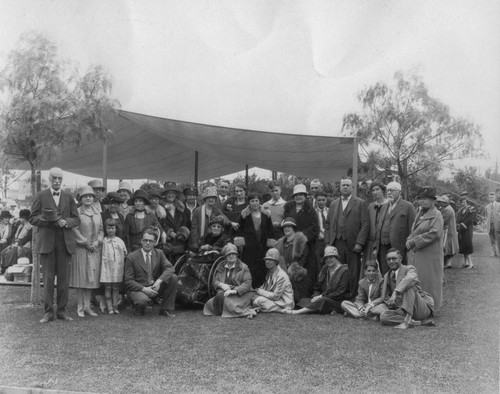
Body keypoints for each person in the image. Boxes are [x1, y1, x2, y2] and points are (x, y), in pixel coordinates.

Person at [30, 167, 80, 323]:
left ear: (62, 180)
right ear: (49, 179)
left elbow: (76, 219)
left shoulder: (69, 196)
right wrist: (47, 219)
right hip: (47, 243)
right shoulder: (41, 195)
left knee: (64, 280)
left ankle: (62, 311)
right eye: (54, 178)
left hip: (65, 243)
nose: (57, 181)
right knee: (49, 279)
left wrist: (66, 222)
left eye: (59, 178)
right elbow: (32, 218)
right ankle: (48, 312)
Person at [324, 177, 369, 299]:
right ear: (340, 187)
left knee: (353, 271)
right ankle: (338, 296)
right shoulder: (333, 204)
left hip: (352, 243)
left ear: (352, 188)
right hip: (336, 243)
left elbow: (365, 224)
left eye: (347, 185)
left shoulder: (360, 203)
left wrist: (360, 242)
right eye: (343, 185)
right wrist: (328, 242)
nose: (345, 187)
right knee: (338, 270)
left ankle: (352, 296)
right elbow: (327, 224)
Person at [124, 228, 178, 317]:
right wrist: (144, 289)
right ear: (141, 241)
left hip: (154, 287)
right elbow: (128, 281)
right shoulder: (131, 257)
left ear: (154, 242)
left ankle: (165, 309)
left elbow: (170, 268)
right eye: (145, 240)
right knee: (142, 300)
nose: (148, 243)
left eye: (150, 241)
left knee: (173, 277)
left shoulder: (159, 253)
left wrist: (159, 281)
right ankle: (139, 308)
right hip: (139, 289)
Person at [406, 186, 444, 309]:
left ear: (433, 200)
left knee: (429, 281)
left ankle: (430, 307)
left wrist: (414, 241)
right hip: (418, 254)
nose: (422, 201)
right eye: (420, 198)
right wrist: (409, 239)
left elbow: (435, 233)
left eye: (426, 199)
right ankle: (418, 307)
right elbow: (415, 230)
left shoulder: (436, 214)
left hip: (429, 255)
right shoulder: (420, 212)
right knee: (417, 280)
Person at [283, 246, 349, 315]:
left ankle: (297, 312)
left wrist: (322, 296)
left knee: (322, 300)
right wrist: (316, 295)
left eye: (331, 257)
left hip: (338, 300)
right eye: (326, 258)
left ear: (336, 258)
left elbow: (340, 292)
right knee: (304, 300)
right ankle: (329, 310)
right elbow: (318, 285)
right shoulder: (325, 268)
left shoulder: (344, 270)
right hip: (325, 297)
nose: (329, 260)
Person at [69, 186, 104, 318]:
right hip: (81, 249)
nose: (88, 198)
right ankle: (79, 307)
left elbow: (101, 230)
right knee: (81, 278)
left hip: (94, 250)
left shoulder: (97, 213)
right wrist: (84, 242)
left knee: (90, 280)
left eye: (90, 196)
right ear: (81, 199)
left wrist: (97, 242)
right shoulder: (77, 212)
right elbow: (74, 229)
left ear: (94, 198)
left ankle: (87, 306)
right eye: (85, 196)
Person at [379, 248, 435, 329]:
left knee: (408, 286)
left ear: (400, 259)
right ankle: (418, 322)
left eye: (394, 258)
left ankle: (407, 321)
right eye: (388, 259)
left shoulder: (409, 269)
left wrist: (395, 292)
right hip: (402, 308)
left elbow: (410, 278)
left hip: (419, 308)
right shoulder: (387, 275)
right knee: (383, 316)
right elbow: (385, 296)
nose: (391, 261)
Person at [233, 192, 275, 288]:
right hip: (249, 249)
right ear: (249, 202)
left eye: (256, 201)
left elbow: (271, 230)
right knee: (250, 269)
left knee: (262, 269)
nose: (255, 203)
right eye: (252, 201)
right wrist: (241, 242)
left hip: (263, 247)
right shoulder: (244, 215)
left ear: (260, 202)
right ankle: (249, 289)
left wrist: (271, 242)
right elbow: (237, 229)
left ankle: (261, 289)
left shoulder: (266, 215)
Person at [283, 184, 319, 296]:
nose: (299, 197)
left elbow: (314, 228)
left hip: (306, 245)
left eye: (301, 195)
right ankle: (291, 294)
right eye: (296, 195)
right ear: (293, 196)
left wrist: (299, 237)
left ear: (305, 196)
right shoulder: (289, 208)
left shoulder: (310, 210)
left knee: (304, 269)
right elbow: (286, 223)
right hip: (290, 244)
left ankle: (304, 295)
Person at [203, 243, 257, 319]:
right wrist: (221, 285)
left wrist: (234, 291)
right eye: (229, 254)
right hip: (226, 293)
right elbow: (215, 281)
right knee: (210, 303)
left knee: (229, 304)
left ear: (236, 255)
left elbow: (247, 283)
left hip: (242, 293)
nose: (231, 256)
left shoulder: (243, 267)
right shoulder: (221, 267)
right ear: (225, 257)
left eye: (233, 254)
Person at [379, 181, 416, 270]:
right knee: (385, 270)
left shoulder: (408, 206)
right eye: (388, 190)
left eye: (392, 190)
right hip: (383, 245)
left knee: (399, 271)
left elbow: (413, 227)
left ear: (399, 192)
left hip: (399, 246)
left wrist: (410, 243)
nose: (389, 193)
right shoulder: (384, 206)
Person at [275, 217, 309, 302]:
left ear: (294, 228)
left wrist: (295, 272)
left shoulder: (301, 242)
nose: (286, 228)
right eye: (285, 227)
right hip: (283, 276)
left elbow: (304, 260)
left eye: (289, 226)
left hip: (299, 277)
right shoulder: (279, 244)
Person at [252, 248, 294, 313]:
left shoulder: (281, 276)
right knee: (253, 297)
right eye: (266, 259)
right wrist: (256, 292)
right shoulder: (269, 272)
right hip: (274, 300)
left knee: (260, 300)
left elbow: (276, 296)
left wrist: (259, 291)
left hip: (283, 303)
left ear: (276, 262)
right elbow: (265, 288)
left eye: (270, 260)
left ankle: (282, 310)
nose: (267, 262)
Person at [190, 186, 232, 251]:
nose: (211, 199)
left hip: (212, 240)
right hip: (200, 241)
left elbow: (224, 218)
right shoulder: (198, 211)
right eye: (209, 198)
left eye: (213, 198)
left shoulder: (216, 210)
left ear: (215, 199)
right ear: (205, 199)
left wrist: (231, 223)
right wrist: (195, 243)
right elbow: (194, 228)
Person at [100, 219, 127, 314]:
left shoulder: (119, 241)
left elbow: (124, 253)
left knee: (116, 288)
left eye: (112, 228)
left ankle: (115, 306)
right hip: (106, 268)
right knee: (107, 288)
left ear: (116, 229)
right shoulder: (103, 241)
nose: (110, 230)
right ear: (105, 229)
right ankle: (109, 307)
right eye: (108, 228)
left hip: (117, 268)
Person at [364, 181, 388, 273]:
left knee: (385, 268)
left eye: (377, 189)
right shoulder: (370, 206)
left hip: (384, 243)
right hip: (371, 244)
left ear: (383, 191)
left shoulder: (389, 204)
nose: (375, 192)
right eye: (373, 190)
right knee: (371, 268)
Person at [1, 209, 33, 274]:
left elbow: (27, 238)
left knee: (13, 251)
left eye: (21, 218)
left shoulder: (30, 227)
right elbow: (14, 237)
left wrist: (17, 243)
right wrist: (13, 243)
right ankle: (4, 267)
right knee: (3, 252)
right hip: (17, 244)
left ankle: (8, 268)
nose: (19, 219)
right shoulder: (20, 226)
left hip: (25, 246)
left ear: (24, 218)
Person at [436, 195, 459, 269]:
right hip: (448, 230)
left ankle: (447, 263)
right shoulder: (447, 208)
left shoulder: (447, 210)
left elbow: (443, 220)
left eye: (441, 202)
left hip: (448, 231)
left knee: (447, 247)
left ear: (445, 203)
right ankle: (448, 263)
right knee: (448, 247)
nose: (440, 203)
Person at [456, 196, 476, 269]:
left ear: (467, 202)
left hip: (468, 229)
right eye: (461, 202)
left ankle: (471, 263)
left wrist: (463, 224)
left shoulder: (471, 209)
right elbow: (458, 219)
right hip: (461, 230)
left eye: (464, 202)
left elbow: (471, 219)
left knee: (467, 244)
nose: (462, 204)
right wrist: (458, 225)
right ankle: (466, 262)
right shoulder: (460, 210)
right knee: (462, 244)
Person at [485, 191, 500, 257]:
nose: (491, 198)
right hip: (490, 226)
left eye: (492, 197)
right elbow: (486, 216)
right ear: (489, 198)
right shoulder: (487, 207)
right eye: (490, 197)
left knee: (498, 240)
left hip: (497, 225)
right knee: (492, 240)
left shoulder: (499, 205)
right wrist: (486, 223)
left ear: (495, 197)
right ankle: (494, 253)